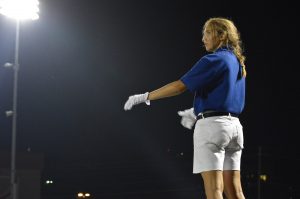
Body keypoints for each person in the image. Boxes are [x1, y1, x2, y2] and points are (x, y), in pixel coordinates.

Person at [124, 17, 246, 199]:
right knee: (236, 192)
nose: (203, 38)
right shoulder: (237, 62)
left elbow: (179, 86)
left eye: (207, 33)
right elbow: (224, 94)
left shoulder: (213, 59)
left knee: (214, 191)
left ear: (221, 36)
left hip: (212, 128)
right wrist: (197, 110)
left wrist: (145, 97)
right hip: (235, 128)